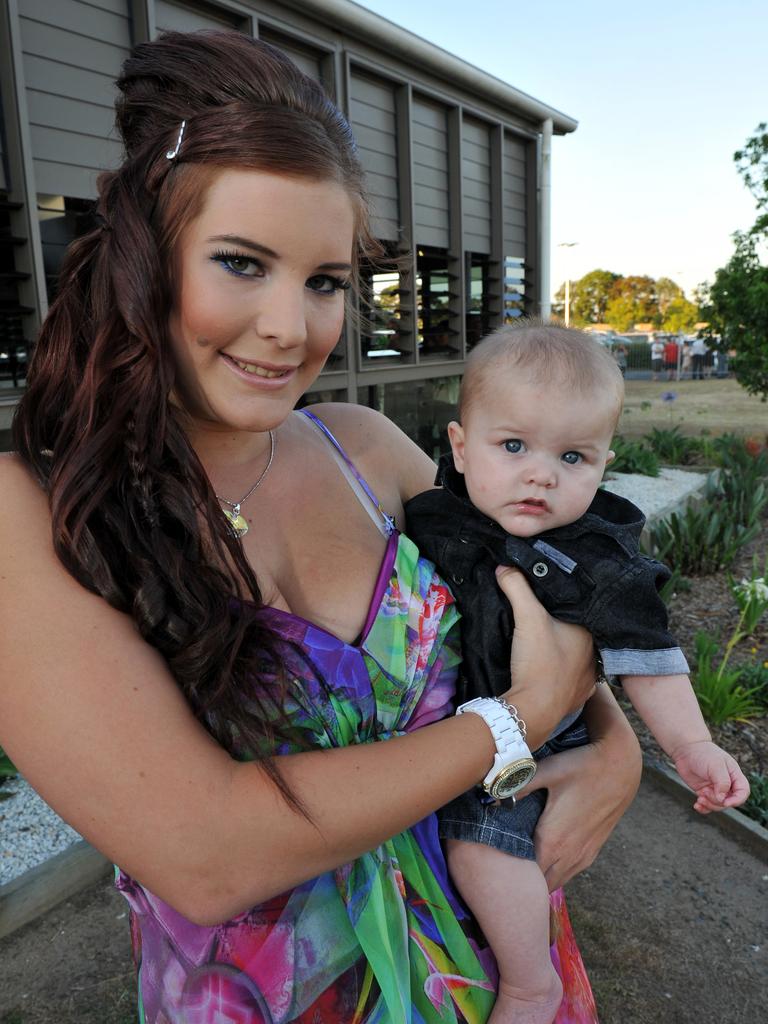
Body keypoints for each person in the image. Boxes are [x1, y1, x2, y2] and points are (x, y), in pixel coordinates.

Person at [0, 32, 643, 1024]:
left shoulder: (368, 449)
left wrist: (612, 739)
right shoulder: (34, 512)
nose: (290, 329)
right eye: (241, 264)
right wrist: (514, 722)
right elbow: (209, 856)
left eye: (325, 281)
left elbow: (538, 604)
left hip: (509, 975)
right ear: (145, 262)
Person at [405, 322, 749, 1024]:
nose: (542, 474)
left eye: (573, 456)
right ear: (461, 449)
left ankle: (532, 983)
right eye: (513, 447)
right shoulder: (431, 519)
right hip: (447, 739)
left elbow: (647, 656)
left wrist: (690, 747)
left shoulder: (593, 559)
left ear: (604, 465)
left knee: (481, 843)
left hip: (528, 753)